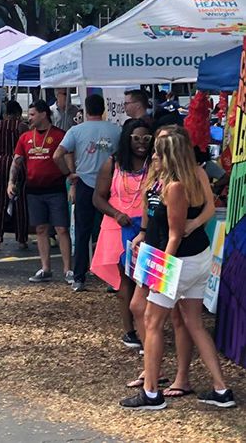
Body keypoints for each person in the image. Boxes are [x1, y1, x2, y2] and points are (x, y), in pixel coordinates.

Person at [119, 130, 235, 410]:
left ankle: (151, 393)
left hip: (176, 261)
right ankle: (221, 389)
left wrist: (162, 272)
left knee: (152, 321)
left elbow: (175, 234)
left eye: (158, 151)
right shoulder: (172, 181)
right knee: (192, 322)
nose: (152, 155)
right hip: (191, 259)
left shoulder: (175, 186)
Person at [92, 119, 151, 350]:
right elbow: (97, 197)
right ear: (127, 139)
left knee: (146, 279)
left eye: (146, 138)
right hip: (118, 227)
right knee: (125, 279)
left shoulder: (155, 164)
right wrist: (116, 214)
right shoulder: (113, 163)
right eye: (136, 138)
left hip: (147, 227)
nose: (141, 143)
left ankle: (149, 328)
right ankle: (130, 331)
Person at [53, 94, 121, 291]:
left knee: (82, 232)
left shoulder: (76, 130)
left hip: (84, 183)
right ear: (103, 110)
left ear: (86, 110)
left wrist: (69, 174)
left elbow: (58, 155)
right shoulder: (116, 130)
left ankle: (79, 277)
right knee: (108, 232)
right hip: (109, 186)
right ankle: (111, 278)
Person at [8, 100, 71, 284]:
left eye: (33, 114)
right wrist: (11, 182)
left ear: (44, 114)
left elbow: (68, 159)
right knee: (41, 229)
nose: (30, 118)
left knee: (61, 229)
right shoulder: (25, 137)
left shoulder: (60, 135)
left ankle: (68, 270)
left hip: (56, 188)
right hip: (34, 190)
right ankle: (45, 268)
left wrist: (71, 179)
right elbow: (17, 161)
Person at [0, 100, 29, 251]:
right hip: (18, 164)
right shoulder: (22, 127)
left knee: (0, 202)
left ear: (5, 114)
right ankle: (22, 239)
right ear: (18, 114)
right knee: (20, 203)